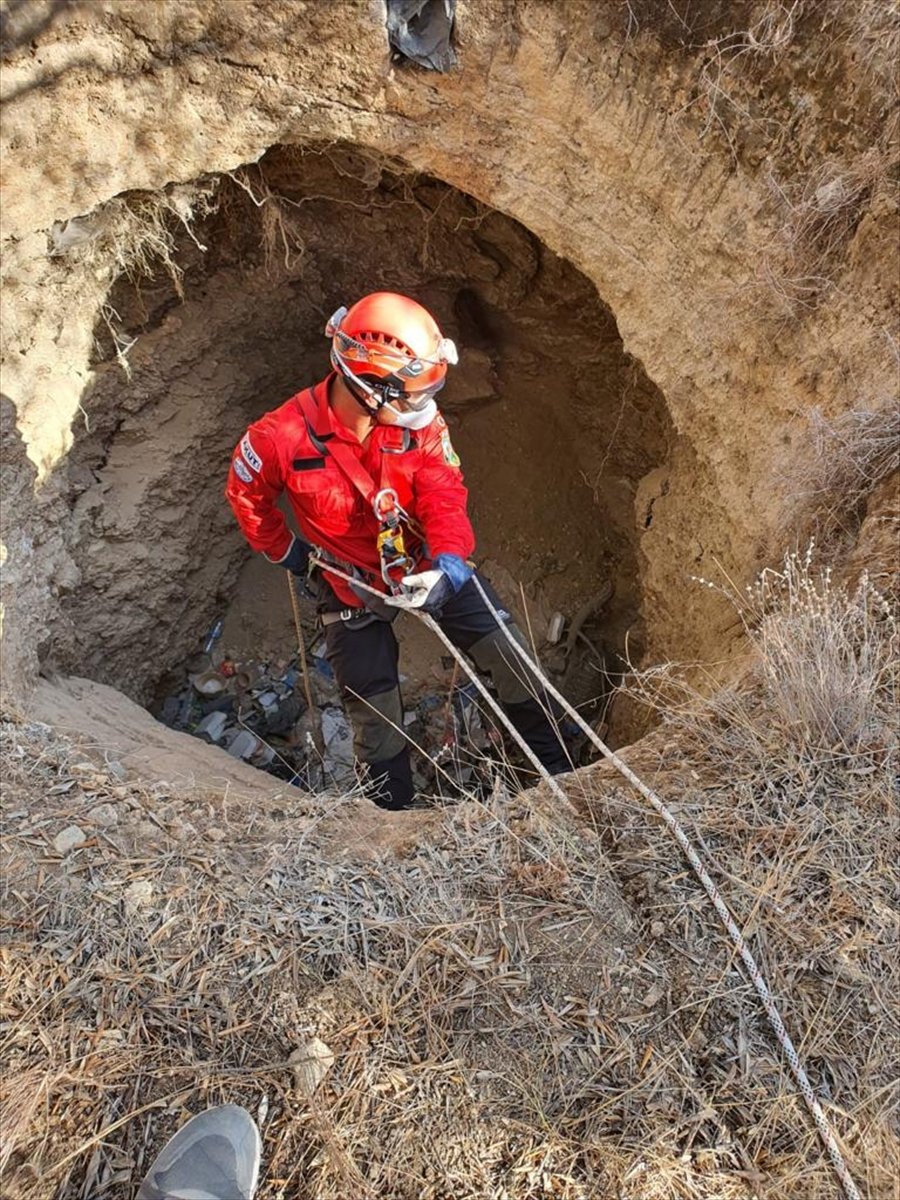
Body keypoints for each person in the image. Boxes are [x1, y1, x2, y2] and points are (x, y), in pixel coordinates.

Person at [226, 292, 570, 809]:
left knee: (508, 653)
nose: (425, 404)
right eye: (413, 392)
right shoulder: (281, 438)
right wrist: (291, 556)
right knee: (374, 713)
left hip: (426, 562)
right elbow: (247, 496)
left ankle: (560, 771)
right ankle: (392, 818)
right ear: (368, 388)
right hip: (347, 581)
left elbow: (442, 491)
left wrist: (450, 563)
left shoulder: (422, 425)